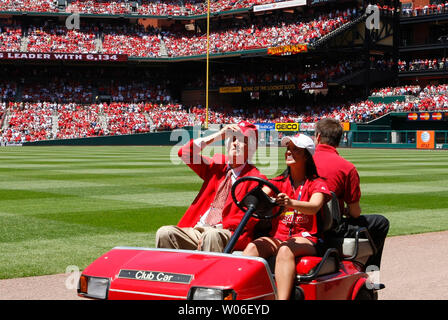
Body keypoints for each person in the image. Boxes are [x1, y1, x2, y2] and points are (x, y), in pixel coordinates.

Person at [243, 133, 331, 300]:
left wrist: (290, 203)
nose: (288, 152)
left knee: (285, 249)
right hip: (279, 237)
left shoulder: (317, 183)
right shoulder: (277, 182)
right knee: (253, 247)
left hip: (308, 238)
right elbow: (258, 199)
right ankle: (246, 297)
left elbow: (313, 207)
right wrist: (257, 201)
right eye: (288, 149)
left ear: (306, 155)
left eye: (295, 150)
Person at [156, 121, 265, 252]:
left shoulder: (256, 179)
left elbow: (249, 221)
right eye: (233, 138)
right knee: (165, 233)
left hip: (226, 232)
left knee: (211, 235)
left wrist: (215, 230)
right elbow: (184, 153)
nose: (235, 143)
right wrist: (218, 136)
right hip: (198, 228)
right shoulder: (217, 165)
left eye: (242, 140)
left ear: (252, 148)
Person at [313, 118, 389, 269]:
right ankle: (368, 272)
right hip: (331, 228)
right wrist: (346, 210)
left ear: (318, 137)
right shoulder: (347, 168)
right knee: (381, 222)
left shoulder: (304, 162)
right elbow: (354, 213)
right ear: (339, 141)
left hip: (304, 223)